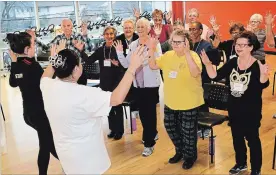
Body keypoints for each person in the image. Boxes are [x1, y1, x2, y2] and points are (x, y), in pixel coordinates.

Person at [40, 46, 145, 174]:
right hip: (87, 159)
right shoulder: (85, 94)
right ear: (76, 69)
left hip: (65, 154)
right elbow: (116, 99)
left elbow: (45, 76)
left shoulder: (48, 86)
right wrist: (132, 68)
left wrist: (56, 60)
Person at [201, 31, 269, 175]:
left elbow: (263, 84)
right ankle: (241, 164)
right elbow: (215, 75)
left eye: (242, 45)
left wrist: (263, 76)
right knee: (237, 138)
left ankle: (256, 169)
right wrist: (207, 64)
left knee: (252, 140)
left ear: (251, 47)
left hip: (251, 111)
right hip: (234, 108)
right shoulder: (232, 62)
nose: (238, 48)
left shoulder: (257, 64)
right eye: (237, 44)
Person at [148, 29, 204, 169]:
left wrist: (186, 53)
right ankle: (180, 151)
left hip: (190, 101)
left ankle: (190, 156)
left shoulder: (193, 56)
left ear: (186, 42)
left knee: (188, 132)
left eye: (179, 42)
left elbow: (195, 72)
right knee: (170, 127)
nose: (175, 44)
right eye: (173, 41)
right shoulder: (168, 55)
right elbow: (153, 65)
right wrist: (151, 49)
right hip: (171, 101)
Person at [7, 32, 59, 175]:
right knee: (46, 144)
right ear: (26, 49)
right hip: (39, 113)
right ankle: (69, 166)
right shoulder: (33, 65)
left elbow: (12, 83)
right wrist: (53, 61)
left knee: (48, 142)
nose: (35, 47)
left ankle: (68, 166)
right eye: (33, 44)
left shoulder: (17, 64)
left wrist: (13, 61)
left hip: (28, 114)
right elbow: (46, 81)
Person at [113, 18, 161, 156]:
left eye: (142, 27)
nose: (140, 29)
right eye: (138, 27)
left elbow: (158, 61)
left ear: (148, 28)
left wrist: (143, 59)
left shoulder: (154, 42)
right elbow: (128, 64)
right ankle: (152, 133)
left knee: (149, 113)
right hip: (138, 85)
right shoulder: (133, 44)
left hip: (151, 84)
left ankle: (149, 143)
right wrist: (120, 53)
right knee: (143, 113)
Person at [79, 26, 125, 140]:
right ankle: (112, 129)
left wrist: (117, 64)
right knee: (108, 106)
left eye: (111, 34)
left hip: (116, 82)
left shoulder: (118, 49)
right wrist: (81, 51)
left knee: (117, 107)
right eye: (107, 34)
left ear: (114, 35)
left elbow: (125, 65)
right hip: (104, 82)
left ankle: (119, 130)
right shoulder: (101, 50)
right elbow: (89, 60)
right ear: (104, 36)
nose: (109, 36)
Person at [116, 19, 139, 118]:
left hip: (137, 69)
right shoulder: (118, 39)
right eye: (126, 28)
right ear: (123, 29)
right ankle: (128, 108)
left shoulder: (138, 38)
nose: (128, 30)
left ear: (133, 28)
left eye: (130, 27)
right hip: (123, 69)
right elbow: (114, 52)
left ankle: (136, 109)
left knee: (136, 90)